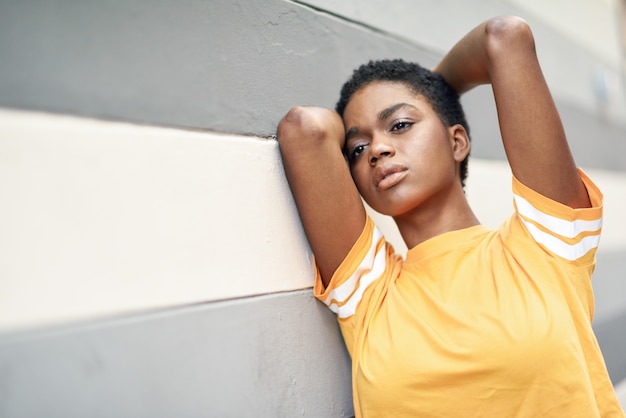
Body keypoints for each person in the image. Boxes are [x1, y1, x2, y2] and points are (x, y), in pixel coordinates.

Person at [277, 15, 625, 417]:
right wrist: (416, 106)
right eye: (358, 148)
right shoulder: (368, 294)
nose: (377, 150)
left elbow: (504, 38)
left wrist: (434, 91)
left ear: (456, 140)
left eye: (401, 125)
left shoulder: (545, 247)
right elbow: (305, 131)